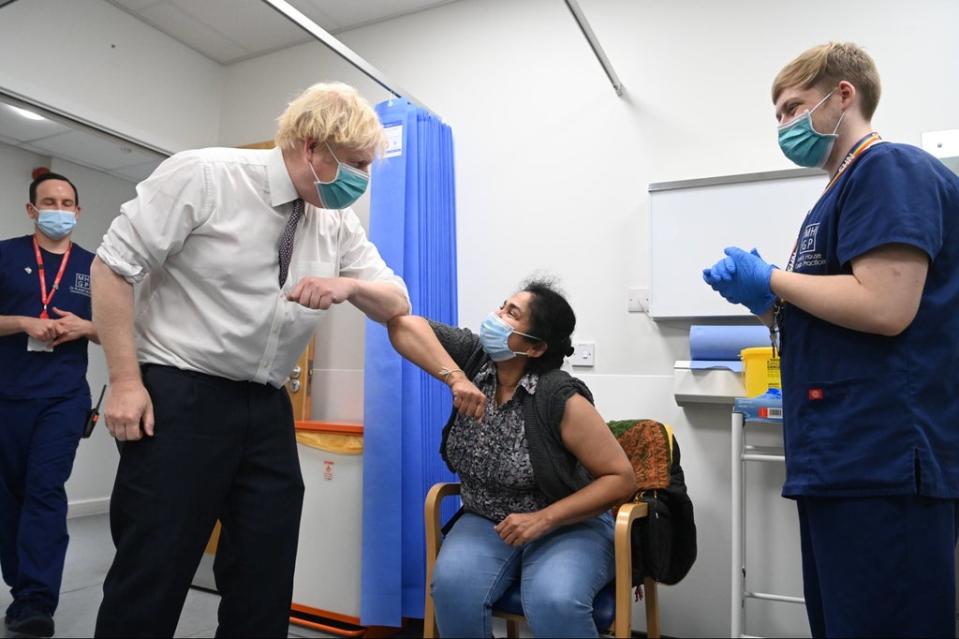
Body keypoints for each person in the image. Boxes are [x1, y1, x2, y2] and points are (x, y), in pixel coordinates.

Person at [91, 82, 411, 638]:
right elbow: (113, 267)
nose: (362, 179)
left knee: (265, 577)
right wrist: (124, 381)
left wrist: (347, 286)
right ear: (312, 146)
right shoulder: (205, 175)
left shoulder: (335, 222)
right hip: (179, 396)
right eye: (356, 164)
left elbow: (396, 300)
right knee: (153, 571)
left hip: (265, 408)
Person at [703, 42, 959, 638]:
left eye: (793, 107)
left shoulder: (888, 167)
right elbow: (832, 317)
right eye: (778, 116)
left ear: (843, 94)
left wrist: (771, 278)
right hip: (842, 453)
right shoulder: (837, 190)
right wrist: (769, 305)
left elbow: (888, 306)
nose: (785, 125)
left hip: (884, 453)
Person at [387, 279, 636, 638]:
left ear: (534, 348)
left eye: (511, 314)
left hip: (567, 523)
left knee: (554, 600)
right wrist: (455, 378)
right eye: (503, 306)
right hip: (487, 518)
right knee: (452, 590)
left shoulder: (559, 396)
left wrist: (543, 519)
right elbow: (402, 325)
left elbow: (621, 479)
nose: (496, 316)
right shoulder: (475, 360)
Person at [0, 171, 99, 638]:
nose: (59, 209)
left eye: (67, 202)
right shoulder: (5, 255)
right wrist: (23, 321)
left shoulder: (94, 267)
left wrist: (87, 328)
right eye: (49, 202)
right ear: (32, 210)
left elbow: (120, 329)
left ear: (78, 212)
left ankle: (35, 600)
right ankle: (21, 583)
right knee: (9, 497)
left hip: (63, 398)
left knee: (43, 490)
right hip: (7, 395)